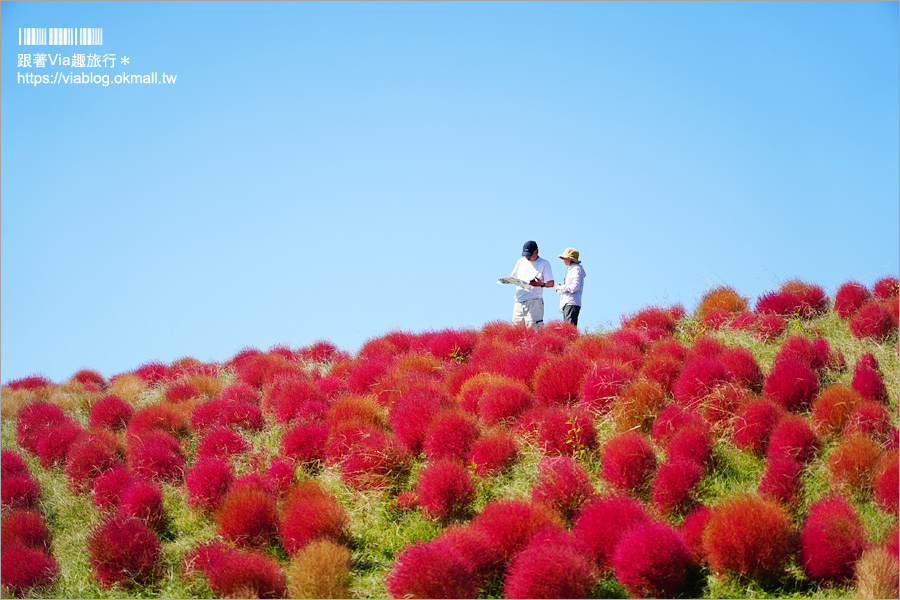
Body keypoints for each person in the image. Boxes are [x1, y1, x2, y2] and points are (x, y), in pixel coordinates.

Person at [509, 240, 554, 328]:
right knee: (516, 330)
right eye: (525, 255)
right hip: (518, 301)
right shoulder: (520, 262)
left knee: (533, 330)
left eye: (529, 255)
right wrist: (507, 279)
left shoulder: (544, 263)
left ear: (536, 251)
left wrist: (541, 284)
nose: (527, 257)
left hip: (534, 301)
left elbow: (551, 283)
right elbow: (513, 277)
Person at [556, 247, 586, 326]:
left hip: (571, 303)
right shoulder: (573, 269)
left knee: (569, 330)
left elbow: (574, 287)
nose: (564, 260)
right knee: (567, 329)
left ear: (570, 259)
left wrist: (561, 287)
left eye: (565, 258)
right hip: (568, 303)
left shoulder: (576, 269)